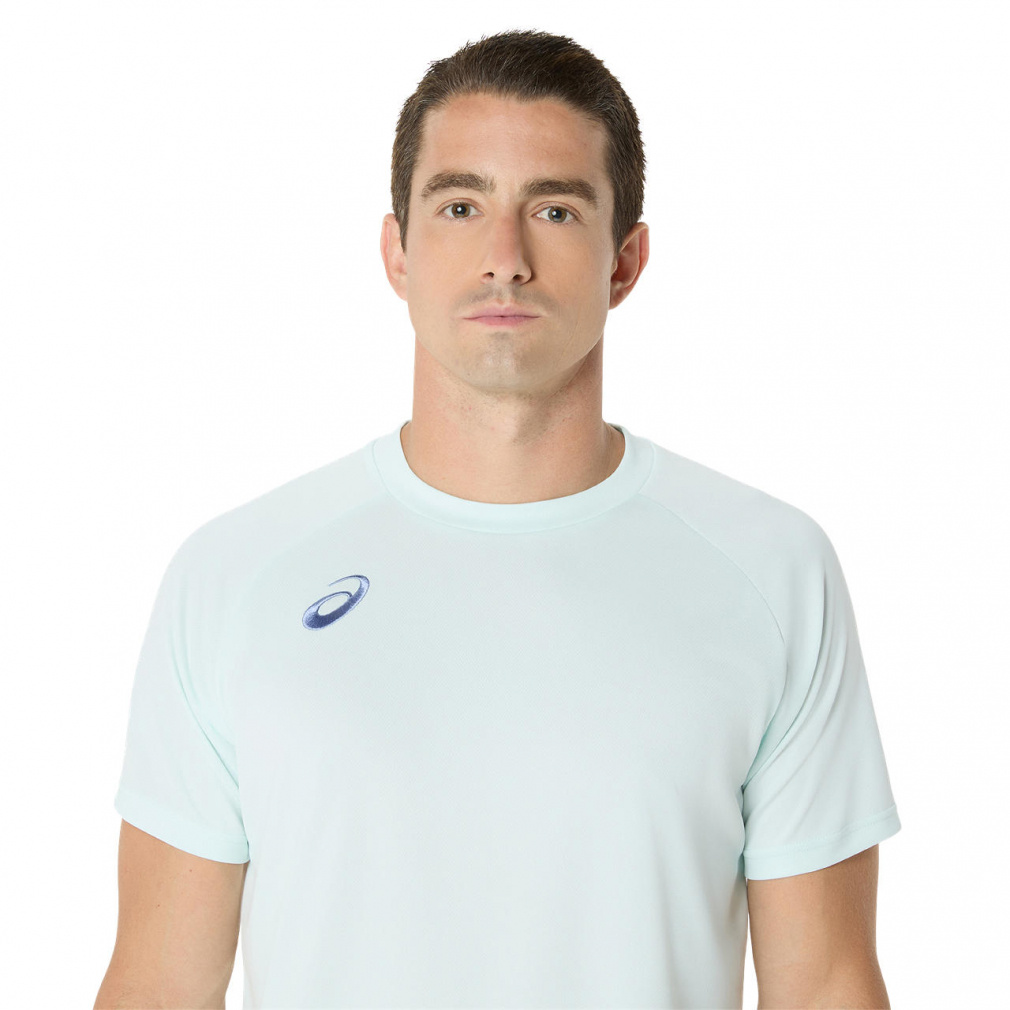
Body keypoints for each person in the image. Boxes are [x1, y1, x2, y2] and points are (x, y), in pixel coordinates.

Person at [95, 28, 900, 1010]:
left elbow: (825, 985)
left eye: (554, 209)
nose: (504, 259)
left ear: (625, 261)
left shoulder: (770, 571)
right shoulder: (235, 577)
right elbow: (157, 983)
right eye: (460, 205)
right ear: (396, 251)